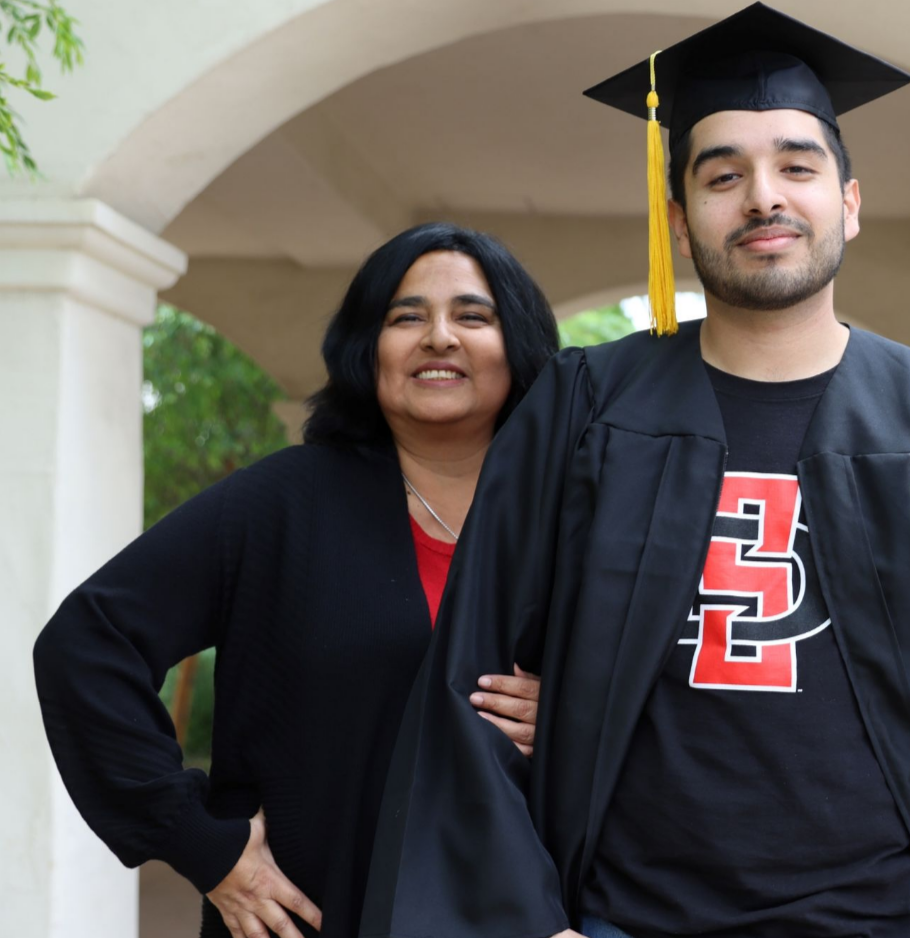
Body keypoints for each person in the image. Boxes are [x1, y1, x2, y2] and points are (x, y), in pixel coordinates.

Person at [359, 6, 910, 938]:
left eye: (797, 165)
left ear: (851, 203)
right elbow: (468, 687)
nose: (763, 198)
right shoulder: (587, 408)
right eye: (723, 174)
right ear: (677, 217)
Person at [34, 222, 562, 938]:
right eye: (406, 316)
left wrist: (575, 715)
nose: (440, 336)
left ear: (520, 346)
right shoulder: (284, 504)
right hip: (312, 915)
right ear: (366, 349)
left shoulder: (575, 516)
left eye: (473, 315)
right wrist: (200, 841)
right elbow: (88, 642)